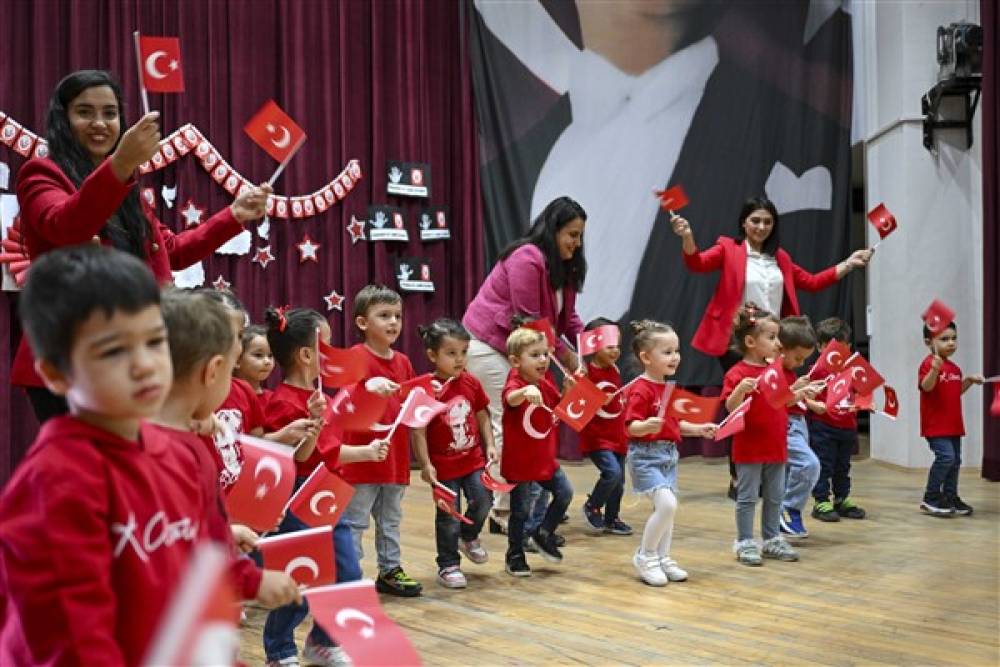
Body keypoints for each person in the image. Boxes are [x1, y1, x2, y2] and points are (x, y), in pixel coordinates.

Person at [11, 69, 270, 423]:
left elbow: (172, 250)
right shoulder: (42, 173)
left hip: (133, 348)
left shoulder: (125, 186)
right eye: (85, 112)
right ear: (62, 118)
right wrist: (120, 165)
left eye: (110, 112)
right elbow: (65, 225)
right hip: (75, 350)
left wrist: (234, 214)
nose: (100, 123)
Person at [0, 246, 206, 664]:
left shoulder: (178, 454)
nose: (146, 365)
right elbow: (72, 636)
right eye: (115, 351)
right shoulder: (57, 481)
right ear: (56, 375)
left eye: (155, 341)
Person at [673, 196, 871, 496]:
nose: (761, 226)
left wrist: (848, 263)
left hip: (773, 343)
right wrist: (687, 236)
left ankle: (768, 473)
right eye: (755, 220)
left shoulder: (781, 259)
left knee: (772, 406)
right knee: (741, 406)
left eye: (767, 221)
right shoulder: (729, 248)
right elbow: (697, 262)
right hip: (737, 342)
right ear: (744, 222)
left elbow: (814, 281)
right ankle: (740, 476)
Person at [149, 289, 300, 614]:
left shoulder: (194, 440)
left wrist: (246, 574)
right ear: (215, 369)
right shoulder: (159, 457)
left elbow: (188, 531)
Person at [261, 305, 388, 667]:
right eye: (327, 346)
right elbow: (296, 458)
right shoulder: (282, 403)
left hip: (330, 493)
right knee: (301, 575)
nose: (334, 354)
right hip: (298, 495)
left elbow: (328, 454)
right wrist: (311, 424)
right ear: (306, 355)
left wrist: (365, 451)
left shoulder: (325, 400)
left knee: (348, 572)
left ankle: (322, 641)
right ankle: (279, 649)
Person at [462, 196, 586, 532]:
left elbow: (568, 319)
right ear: (553, 230)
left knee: (536, 418)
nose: (576, 242)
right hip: (488, 343)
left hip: (524, 347)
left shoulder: (566, 265)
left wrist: (589, 345)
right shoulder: (527, 258)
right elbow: (530, 321)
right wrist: (566, 355)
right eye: (571, 235)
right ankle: (504, 512)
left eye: (580, 236)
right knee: (509, 419)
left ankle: (526, 505)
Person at [338, 285, 422, 597]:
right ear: (362, 323)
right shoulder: (355, 358)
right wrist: (366, 386)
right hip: (362, 458)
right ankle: (350, 574)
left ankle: (389, 570)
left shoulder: (402, 361)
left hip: (394, 456)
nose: (393, 322)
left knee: (391, 520)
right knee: (356, 522)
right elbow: (343, 405)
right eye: (383, 315)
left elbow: (408, 404)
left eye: (397, 316)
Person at [624, 320, 717, 586]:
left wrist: (699, 429)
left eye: (676, 351)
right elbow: (631, 427)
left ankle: (663, 557)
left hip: (668, 456)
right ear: (645, 357)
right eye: (667, 352)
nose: (675, 357)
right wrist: (646, 426)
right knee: (667, 505)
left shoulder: (669, 388)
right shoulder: (640, 388)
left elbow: (676, 424)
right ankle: (646, 556)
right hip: (645, 456)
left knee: (668, 510)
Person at [721, 304, 810, 566]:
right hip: (749, 447)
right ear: (750, 341)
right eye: (771, 337)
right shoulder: (737, 373)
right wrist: (739, 391)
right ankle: (746, 542)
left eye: (777, 336)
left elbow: (784, 402)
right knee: (747, 498)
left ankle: (772, 539)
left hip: (776, 444)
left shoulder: (777, 370)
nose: (778, 343)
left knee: (775, 496)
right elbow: (729, 408)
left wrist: (800, 392)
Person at [411, 319, 497, 589]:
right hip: (444, 468)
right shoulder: (426, 389)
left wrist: (490, 444)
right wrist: (426, 465)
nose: (459, 359)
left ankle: (469, 535)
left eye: (463, 352)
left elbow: (483, 414)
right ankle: (448, 564)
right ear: (432, 355)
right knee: (448, 516)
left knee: (484, 499)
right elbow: (418, 430)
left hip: (473, 460)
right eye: (451, 353)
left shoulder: (470, 382)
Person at [501, 327, 573, 577]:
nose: (543, 360)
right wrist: (524, 392)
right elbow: (510, 398)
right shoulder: (516, 382)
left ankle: (542, 533)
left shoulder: (545, 383)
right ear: (515, 361)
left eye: (545, 354)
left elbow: (558, 410)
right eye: (535, 355)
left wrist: (568, 390)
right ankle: (515, 555)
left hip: (544, 458)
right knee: (520, 510)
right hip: (521, 463)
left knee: (565, 493)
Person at [918, 320, 983, 516]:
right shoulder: (928, 364)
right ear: (929, 342)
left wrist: (970, 381)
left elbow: (955, 391)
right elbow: (926, 386)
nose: (951, 343)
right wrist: (935, 370)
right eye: (944, 339)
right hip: (936, 426)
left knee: (955, 461)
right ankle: (931, 497)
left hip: (954, 425)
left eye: (954, 338)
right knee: (946, 458)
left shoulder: (955, 368)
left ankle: (950, 496)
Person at [807, 318, 867, 522]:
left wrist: (867, 404)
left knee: (843, 466)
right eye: (829, 347)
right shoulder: (816, 370)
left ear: (848, 346)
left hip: (847, 426)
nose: (835, 352)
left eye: (841, 347)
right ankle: (821, 501)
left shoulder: (852, 368)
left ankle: (842, 498)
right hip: (823, 426)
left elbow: (863, 392)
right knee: (824, 465)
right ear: (819, 347)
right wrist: (816, 406)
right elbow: (803, 395)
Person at [578, 317, 632, 537]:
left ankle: (612, 517)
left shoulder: (616, 370)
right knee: (612, 473)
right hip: (597, 437)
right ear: (595, 345)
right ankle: (592, 505)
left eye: (618, 346)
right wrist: (596, 398)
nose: (615, 351)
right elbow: (579, 406)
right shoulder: (586, 373)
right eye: (610, 346)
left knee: (619, 481)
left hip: (616, 433)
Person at [776, 316, 823, 538]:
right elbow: (780, 401)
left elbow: (793, 399)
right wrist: (797, 391)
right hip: (786, 426)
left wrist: (809, 397)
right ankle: (789, 508)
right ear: (781, 348)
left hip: (798, 423)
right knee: (808, 464)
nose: (801, 363)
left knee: (790, 471)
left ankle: (780, 514)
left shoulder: (789, 370)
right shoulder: (774, 371)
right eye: (798, 357)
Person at [236, 323, 277, 404]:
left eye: (270, 355)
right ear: (237, 360)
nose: (267, 361)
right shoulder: (226, 397)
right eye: (258, 355)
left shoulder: (273, 399)